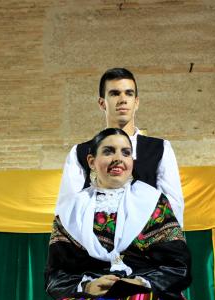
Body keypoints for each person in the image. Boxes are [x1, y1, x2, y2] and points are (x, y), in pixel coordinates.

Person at [17, 128, 214, 300]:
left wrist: (139, 283)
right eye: (108, 151)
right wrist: (87, 286)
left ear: (133, 161)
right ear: (91, 162)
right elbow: (56, 275)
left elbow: (178, 267)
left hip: (147, 295)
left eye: (125, 152)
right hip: (88, 295)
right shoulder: (71, 211)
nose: (118, 159)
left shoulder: (154, 204)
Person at [56, 67, 185, 226]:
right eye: (115, 93)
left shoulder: (160, 148)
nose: (123, 99)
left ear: (136, 102)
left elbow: (174, 209)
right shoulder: (80, 152)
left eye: (129, 93)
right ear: (102, 103)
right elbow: (67, 211)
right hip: (94, 245)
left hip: (147, 246)